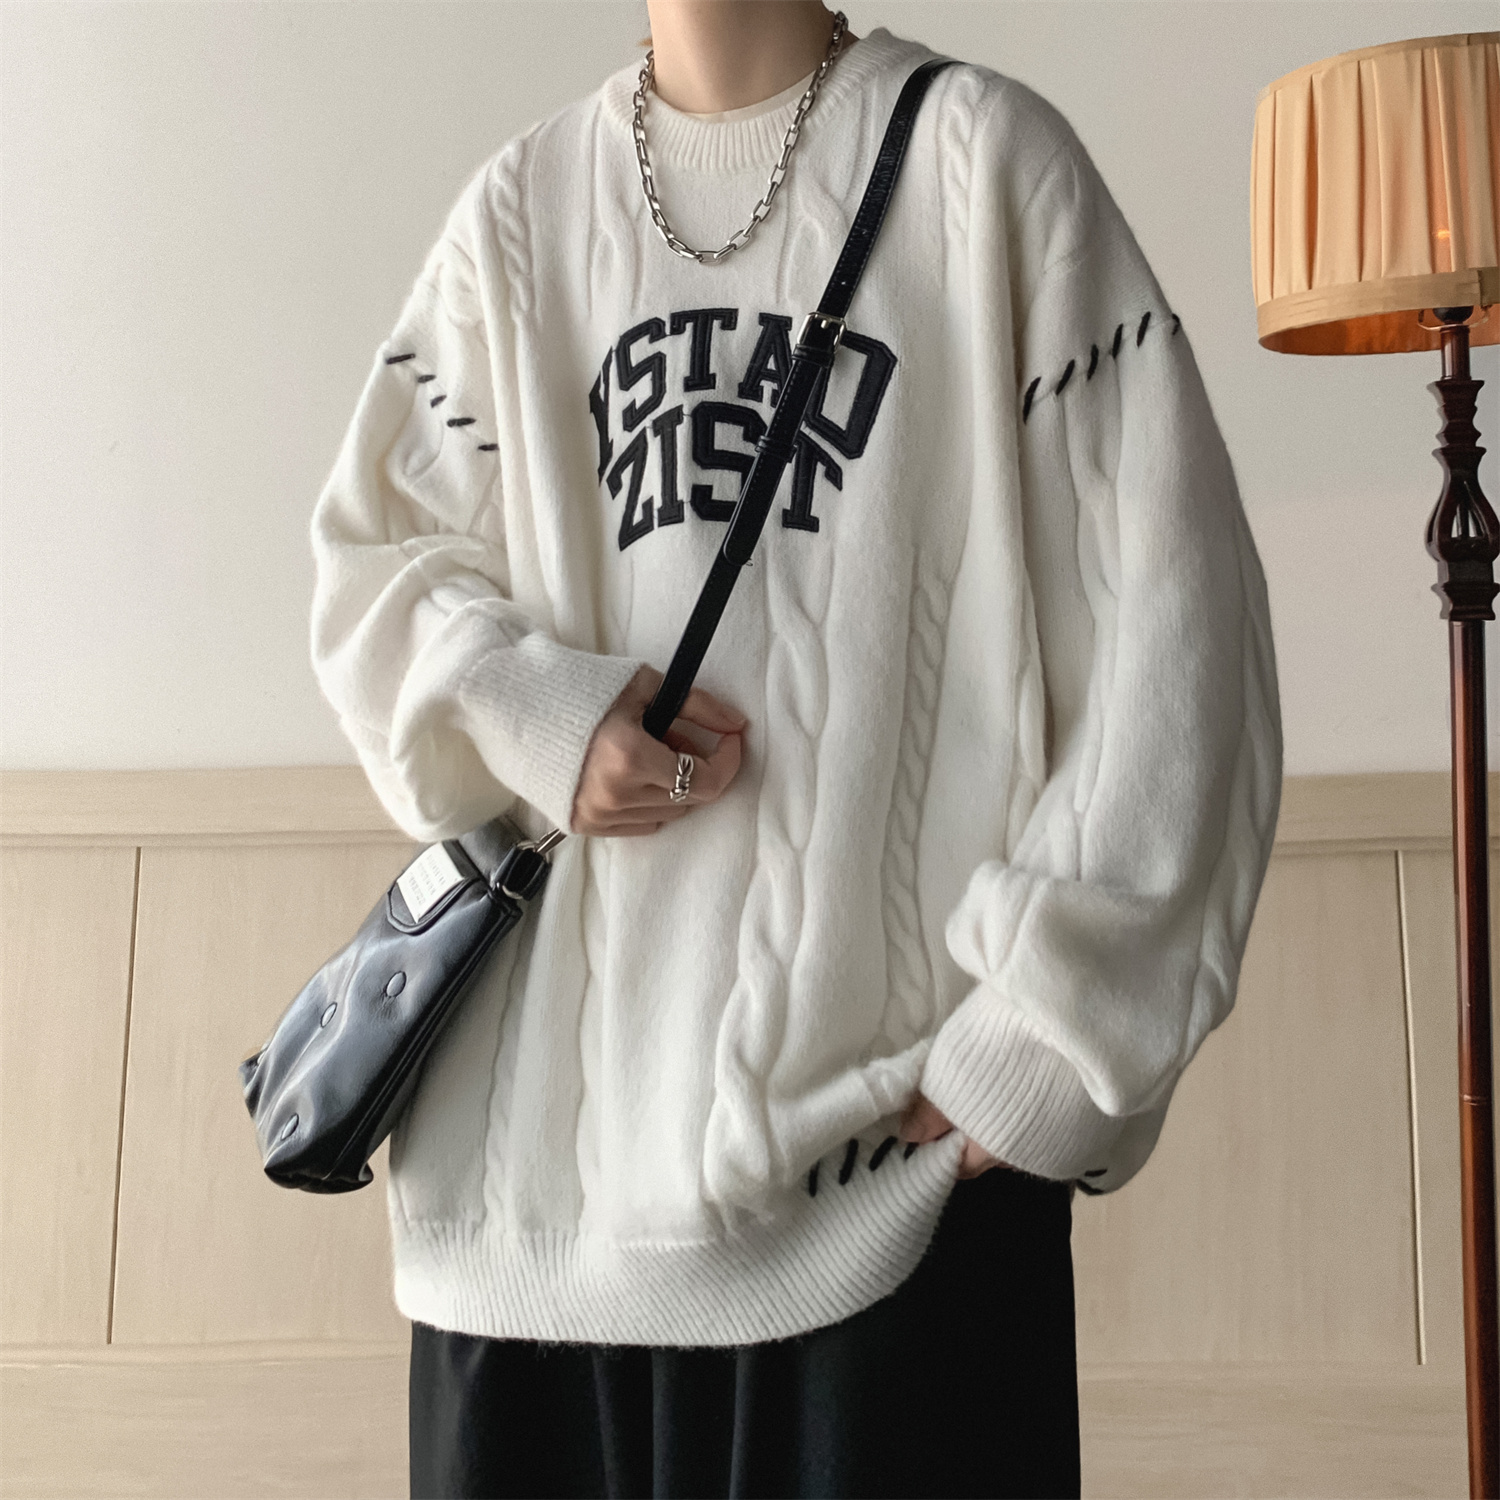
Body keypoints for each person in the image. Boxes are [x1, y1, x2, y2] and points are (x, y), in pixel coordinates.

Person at [308, 2, 1282, 1495]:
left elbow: (1177, 624)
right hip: (524, 1240)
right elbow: (374, 570)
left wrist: (1041, 1038)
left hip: (881, 1217)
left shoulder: (986, 167)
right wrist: (533, 708)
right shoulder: (519, 211)